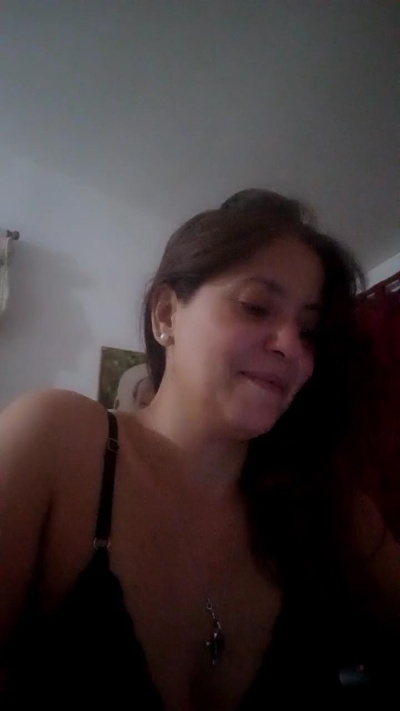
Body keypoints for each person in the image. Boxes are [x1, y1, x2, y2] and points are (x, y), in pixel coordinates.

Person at [0, 192, 398, 708]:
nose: (291, 346)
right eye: (256, 307)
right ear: (166, 314)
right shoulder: (56, 440)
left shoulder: (327, 505)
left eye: (308, 330)